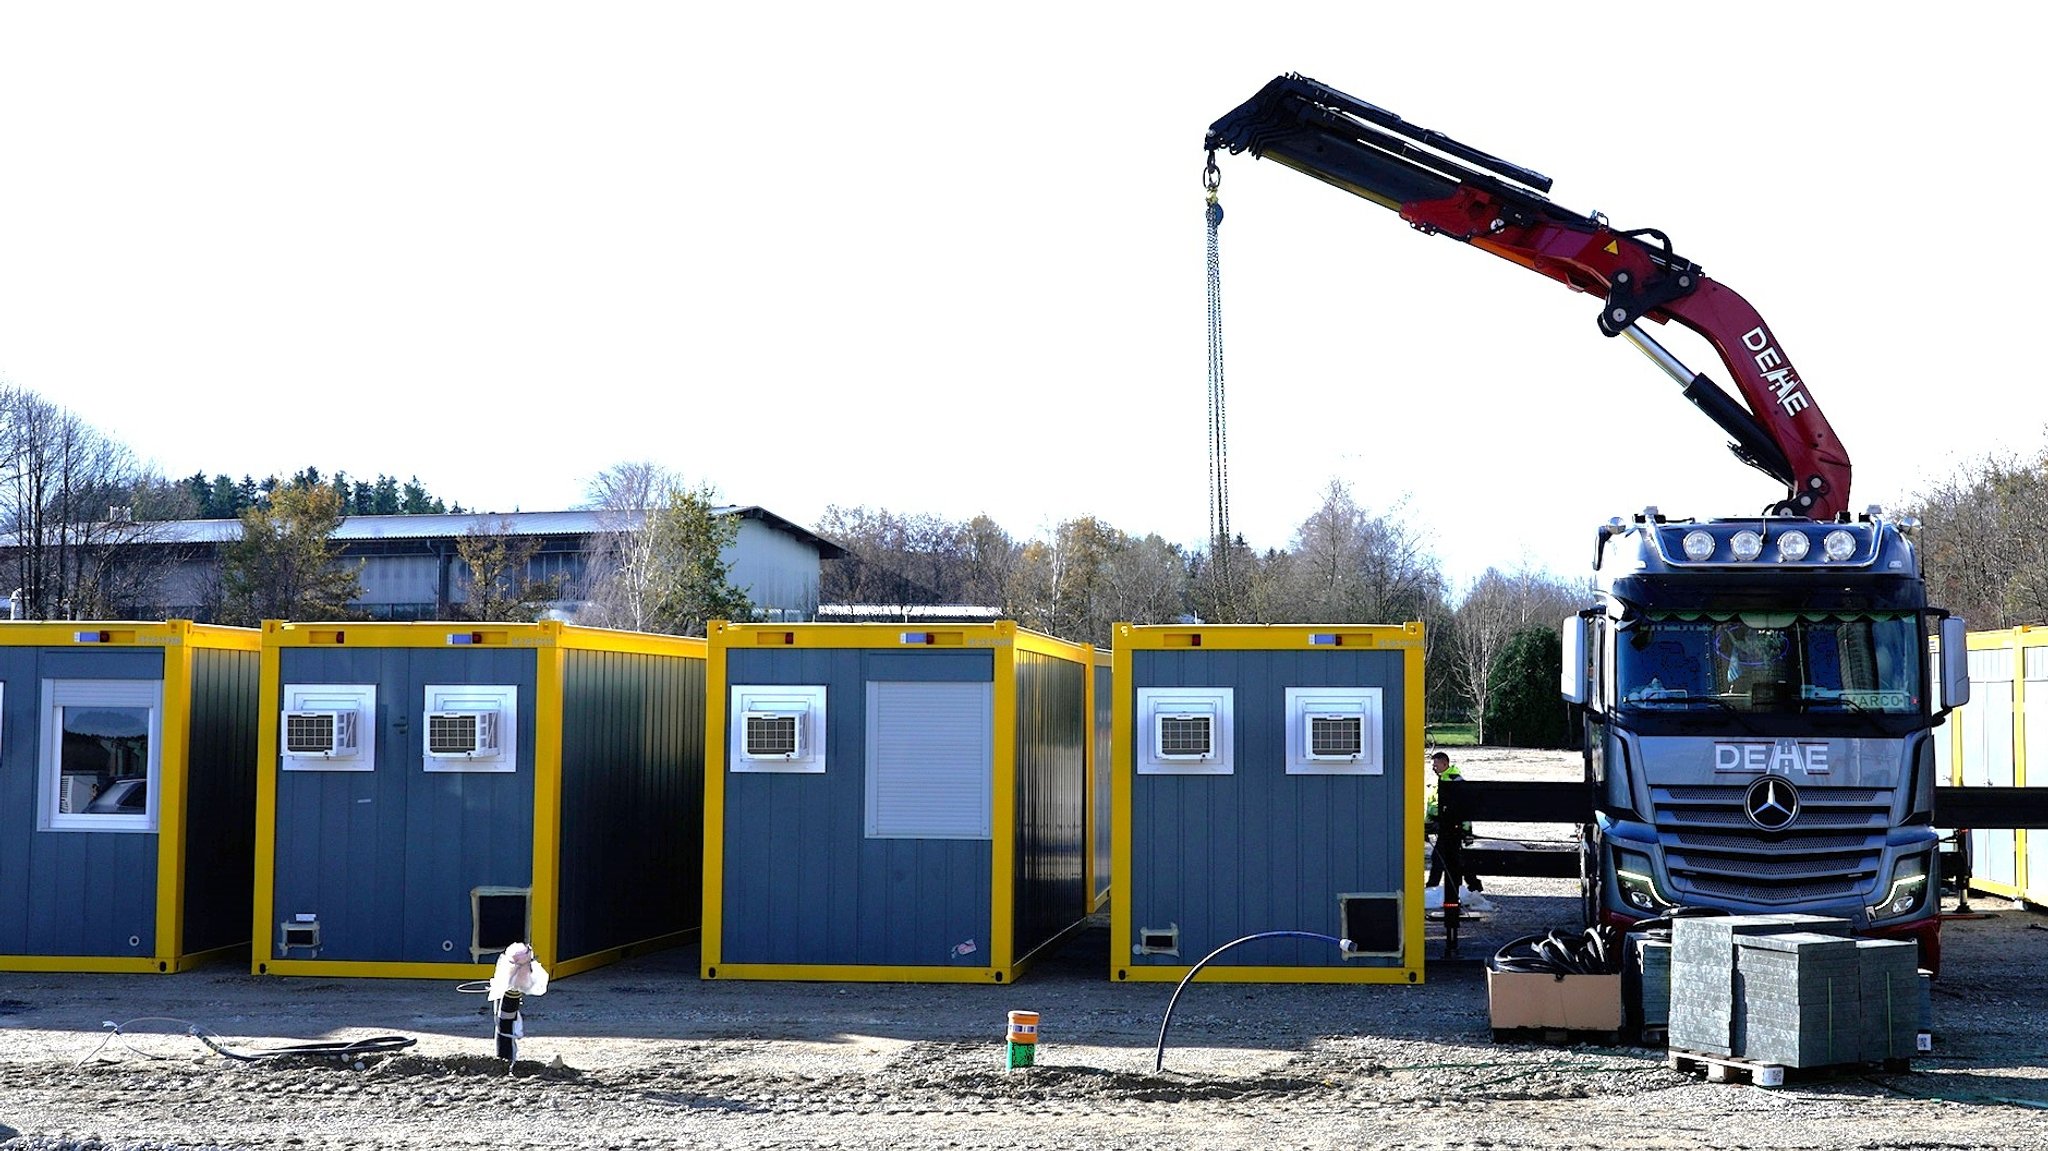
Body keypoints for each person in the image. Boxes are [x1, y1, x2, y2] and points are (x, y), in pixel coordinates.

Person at [1424, 751, 1483, 892]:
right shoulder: (1437, 781)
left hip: (1452, 826)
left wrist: (1467, 831)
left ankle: (1432, 888)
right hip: (1442, 825)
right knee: (1456, 857)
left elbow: (1465, 808)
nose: (1433, 767)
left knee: (1440, 858)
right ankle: (1473, 886)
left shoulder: (1455, 781)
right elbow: (1431, 805)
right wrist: (1426, 826)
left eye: (1436, 764)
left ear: (1445, 764)